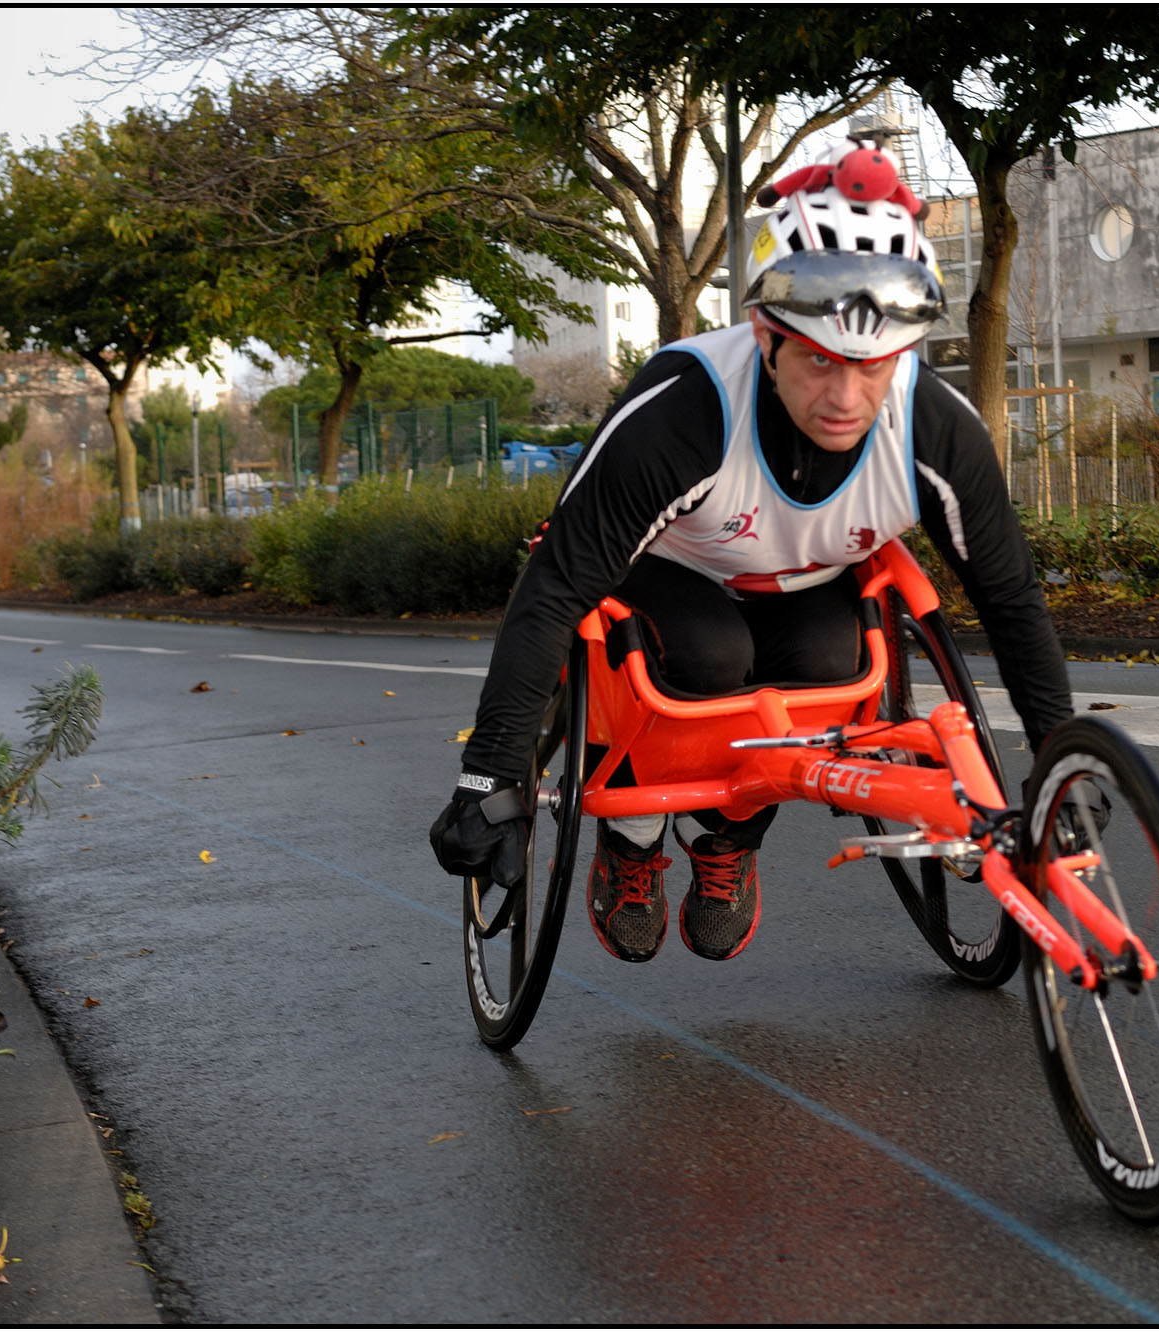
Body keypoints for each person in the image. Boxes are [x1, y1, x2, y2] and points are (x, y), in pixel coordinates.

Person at [431, 158, 1073, 964]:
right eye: (819, 361)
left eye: (873, 366)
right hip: (670, 573)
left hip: (807, 584)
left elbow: (1010, 598)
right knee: (711, 654)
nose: (845, 398)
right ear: (767, 335)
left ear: (904, 351)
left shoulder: (936, 431)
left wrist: (1061, 755)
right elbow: (555, 587)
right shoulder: (686, 408)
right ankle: (633, 838)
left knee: (830, 665)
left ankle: (729, 838)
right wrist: (490, 775)